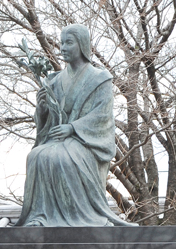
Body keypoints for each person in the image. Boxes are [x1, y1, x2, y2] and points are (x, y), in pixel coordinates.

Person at [17, 25, 136, 227]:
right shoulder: (54, 80)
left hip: (86, 141)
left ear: (82, 45)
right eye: (62, 43)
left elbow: (102, 115)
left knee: (61, 157)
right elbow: (47, 122)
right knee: (36, 156)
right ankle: (43, 216)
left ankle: (81, 216)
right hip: (59, 138)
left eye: (68, 42)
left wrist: (72, 128)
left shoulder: (100, 79)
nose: (63, 47)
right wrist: (43, 109)